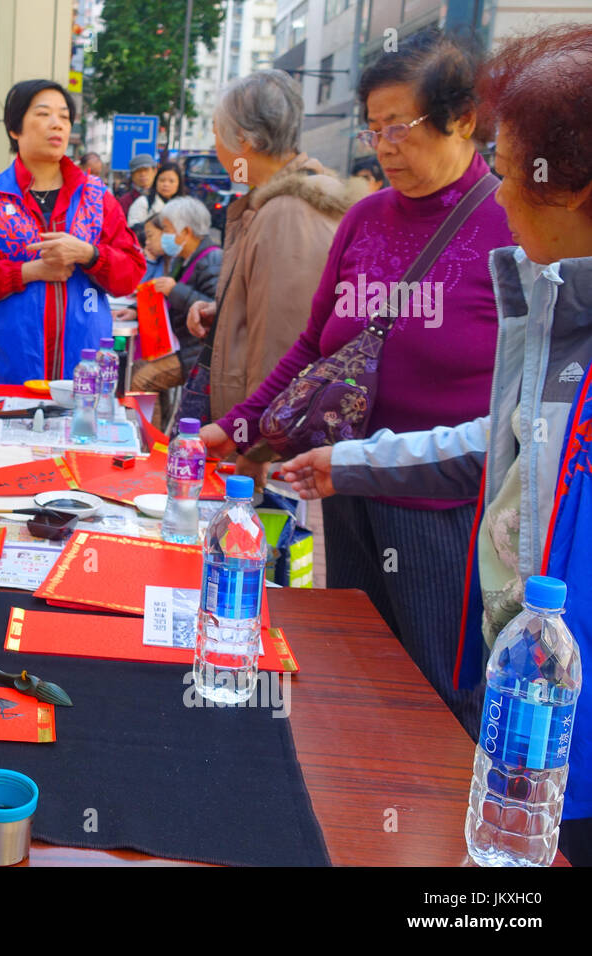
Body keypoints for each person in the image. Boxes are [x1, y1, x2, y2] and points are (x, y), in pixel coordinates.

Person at [278, 22, 592, 867]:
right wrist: (338, 460)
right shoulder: (557, 301)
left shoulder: (518, 261)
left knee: (423, 714)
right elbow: (506, 441)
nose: (504, 189)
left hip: (550, 716)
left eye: (513, 163)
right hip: (530, 717)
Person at [203, 31, 513, 733]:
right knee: (351, 675)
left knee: (436, 697)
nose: (384, 146)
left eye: (399, 127)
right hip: (344, 488)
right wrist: (241, 427)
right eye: (374, 129)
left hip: (444, 513)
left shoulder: (510, 226)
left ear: (462, 118)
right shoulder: (365, 218)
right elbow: (314, 347)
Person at [179, 70, 361, 431]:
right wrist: (227, 311)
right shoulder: (279, 204)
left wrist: (255, 441)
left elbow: (282, 346)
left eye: (217, 133)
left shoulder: (288, 213)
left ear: (244, 141)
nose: (216, 148)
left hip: (253, 433)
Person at [0, 79, 144, 383]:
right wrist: (28, 271)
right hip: (6, 375)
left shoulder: (97, 197)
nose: (57, 124)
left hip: (83, 376)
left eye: (64, 116)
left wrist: (88, 253)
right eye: (43, 114)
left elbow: (131, 273)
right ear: (15, 129)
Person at [129, 199, 223, 408]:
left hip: (193, 351)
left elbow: (215, 308)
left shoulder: (212, 258)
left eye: (168, 230)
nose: (166, 236)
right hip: (177, 344)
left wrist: (175, 290)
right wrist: (134, 311)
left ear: (186, 232)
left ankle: (148, 438)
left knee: (141, 380)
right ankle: (153, 434)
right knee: (138, 371)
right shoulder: (184, 258)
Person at [126, 160, 187, 240]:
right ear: (156, 182)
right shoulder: (143, 202)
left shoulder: (185, 207)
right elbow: (132, 229)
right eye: (162, 180)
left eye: (171, 181)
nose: (166, 184)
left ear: (179, 184)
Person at [117, 154, 158, 221]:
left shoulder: (163, 196)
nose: (143, 174)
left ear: (155, 171)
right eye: (138, 171)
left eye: (146, 170)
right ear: (132, 175)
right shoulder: (124, 202)